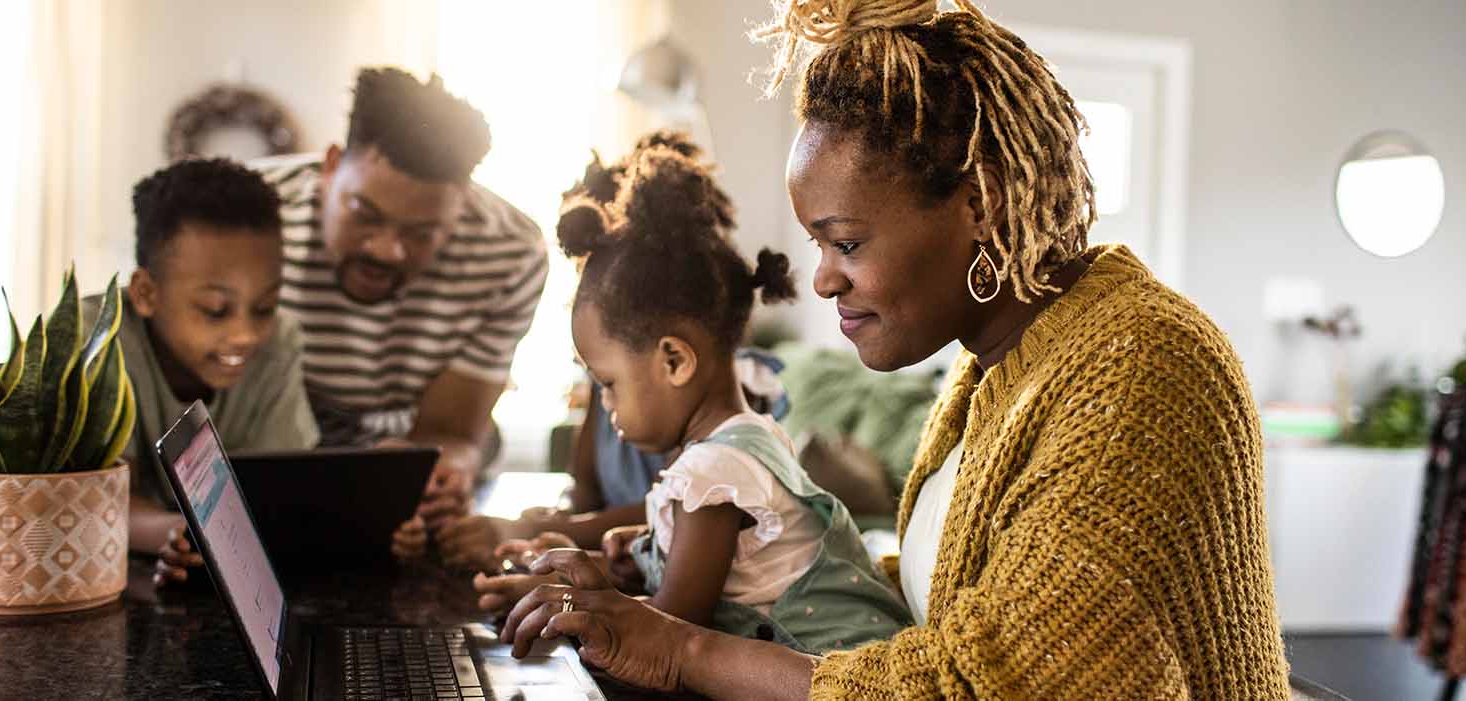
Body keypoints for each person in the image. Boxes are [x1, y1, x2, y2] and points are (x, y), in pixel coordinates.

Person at [492, 1, 1290, 698]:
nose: (823, 281)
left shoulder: (1142, 370)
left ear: (982, 202)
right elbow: (948, 603)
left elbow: (997, 683)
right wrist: (661, 577)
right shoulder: (990, 367)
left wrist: (679, 646)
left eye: (845, 241)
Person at [478, 138, 912, 654]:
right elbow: (722, 578)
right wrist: (627, 554)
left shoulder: (715, 471)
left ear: (674, 361)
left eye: (608, 384)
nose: (605, 405)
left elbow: (668, 629)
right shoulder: (741, 443)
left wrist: (566, 602)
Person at [430, 135, 790, 569]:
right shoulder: (615, 381)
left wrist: (531, 534)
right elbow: (587, 494)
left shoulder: (727, 411)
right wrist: (553, 528)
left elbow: (685, 515)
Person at [250, 67, 548, 532]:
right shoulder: (248, 216)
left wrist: (439, 473)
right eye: (364, 214)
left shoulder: (511, 251)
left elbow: (451, 432)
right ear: (330, 166)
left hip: (401, 473)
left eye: (422, 233)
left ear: (461, 203)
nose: (386, 250)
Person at [106, 158, 319, 585]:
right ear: (146, 293)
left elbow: (281, 491)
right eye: (215, 310)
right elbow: (102, 502)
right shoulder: (101, 343)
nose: (245, 335)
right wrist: (183, 534)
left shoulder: (280, 342)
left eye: (264, 307)